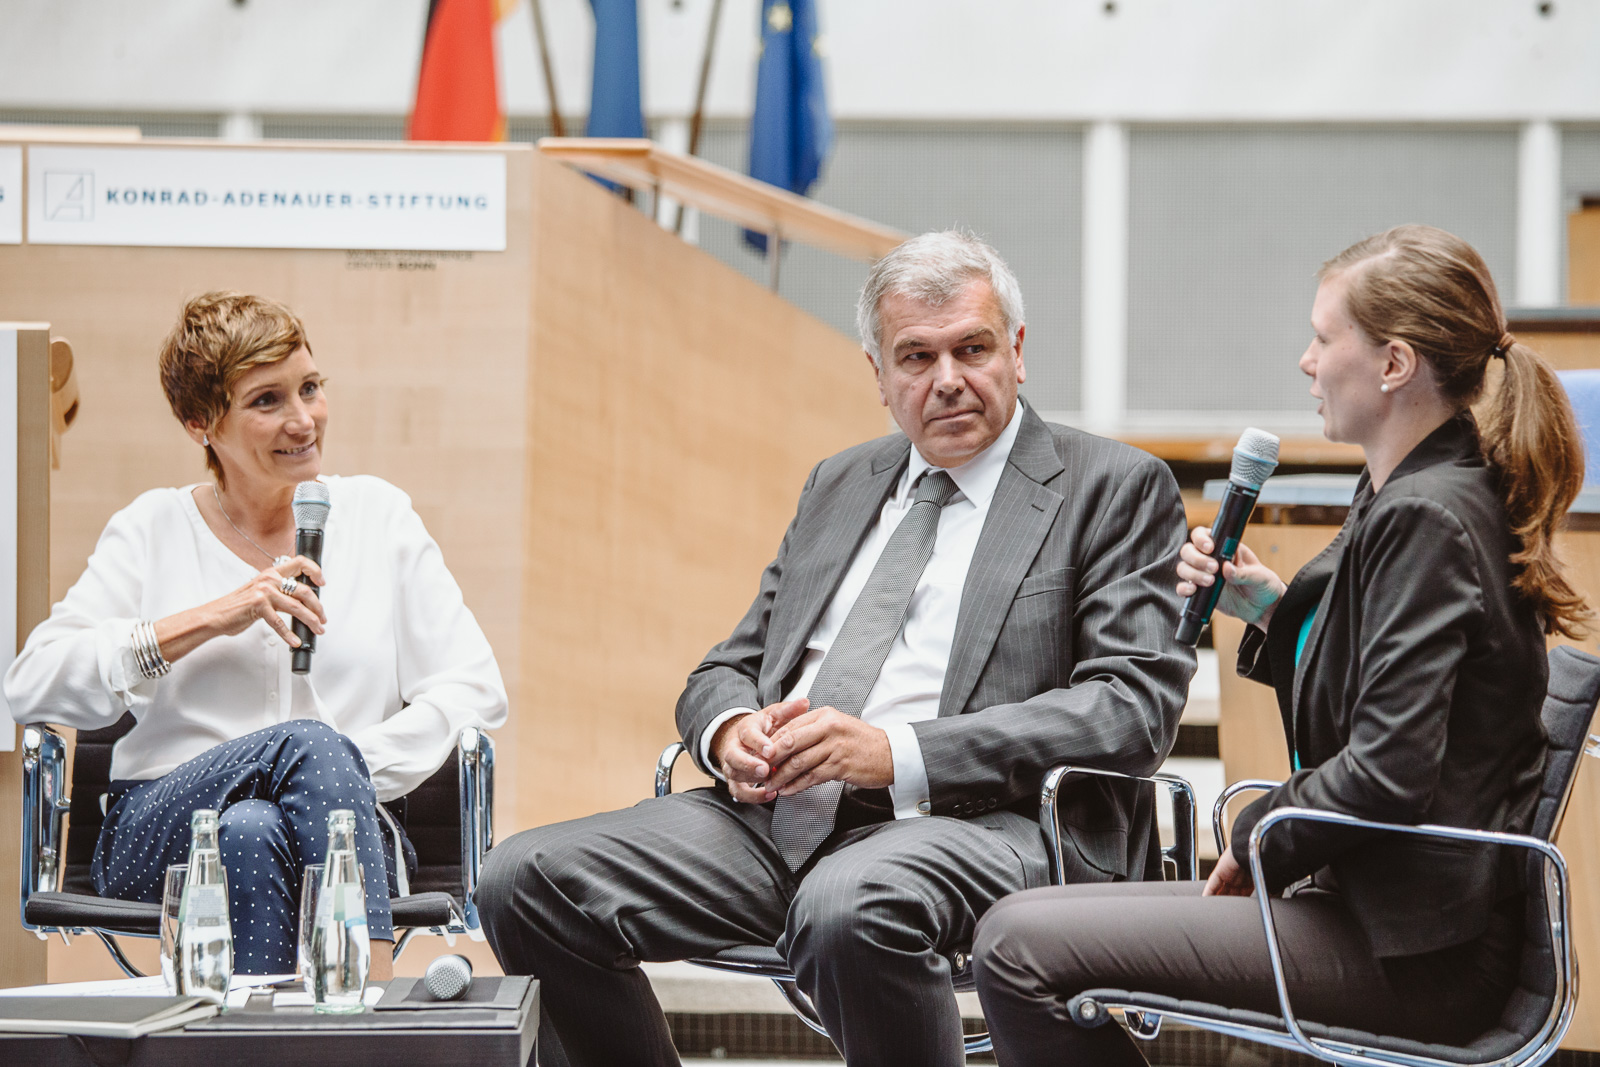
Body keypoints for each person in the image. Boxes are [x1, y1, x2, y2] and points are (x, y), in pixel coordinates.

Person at [474, 230, 1196, 1067]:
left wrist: (894, 751)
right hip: (778, 821)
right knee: (523, 879)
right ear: (879, 376)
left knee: (852, 902)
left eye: (973, 348)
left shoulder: (1112, 485)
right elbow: (727, 665)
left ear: (1018, 351)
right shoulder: (841, 482)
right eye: (917, 357)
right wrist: (730, 730)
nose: (949, 379)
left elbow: (1129, 708)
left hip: (992, 822)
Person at [971, 224, 1589, 1064]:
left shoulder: (1426, 512)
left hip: (1412, 951)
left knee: (1016, 946)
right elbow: (1391, 693)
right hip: (1387, 918)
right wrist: (1276, 610)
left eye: (1324, 337)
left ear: (1394, 363)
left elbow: (1388, 769)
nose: (1306, 360)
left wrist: (1256, 833)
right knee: (1017, 931)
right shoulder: (1420, 488)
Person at [5, 291, 508, 977]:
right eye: (267, 400)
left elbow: (474, 689)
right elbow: (31, 683)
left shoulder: (379, 518)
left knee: (257, 823)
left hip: (344, 827)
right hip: (160, 830)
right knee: (293, 760)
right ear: (200, 423)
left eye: (310, 387)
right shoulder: (151, 528)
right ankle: (377, 1012)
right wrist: (212, 617)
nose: (303, 420)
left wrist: (335, 770)